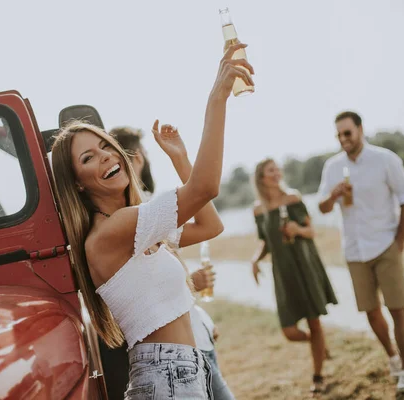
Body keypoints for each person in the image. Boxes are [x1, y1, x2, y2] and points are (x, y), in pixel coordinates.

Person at [51, 43, 254, 399]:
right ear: (78, 183)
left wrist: (180, 157)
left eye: (105, 146)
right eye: (88, 158)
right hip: (167, 377)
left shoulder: (132, 225)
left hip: (181, 370)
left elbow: (210, 227)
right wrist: (217, 98)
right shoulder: (113, 230)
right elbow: (205, 188)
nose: (105, 156)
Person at [110, 125, 236, 400]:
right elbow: (205, 194)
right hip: (175, 359)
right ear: (138, 157)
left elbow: (212, 226)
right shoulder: (129, 222)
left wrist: (201, 319)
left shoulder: (147, 214)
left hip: (195, 343)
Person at [318, 111, 404, 392]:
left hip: (385, 245)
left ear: (360, 129)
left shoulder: (385, 159)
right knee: (371, 313)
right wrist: (333, 195)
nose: (343, 139)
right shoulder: (332, 167)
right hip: (354, 251)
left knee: (397, 309)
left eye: (347, 133)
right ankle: (393, 357)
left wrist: (400, 241)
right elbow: (322, 208)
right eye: (338, 135)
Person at [251, 158, 337, 393]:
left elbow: (311, 231)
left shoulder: (293, 198)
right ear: (261, 177)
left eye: (277, 168)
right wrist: (255, 260)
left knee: (314, 320)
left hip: (304, 266)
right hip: (283, 271)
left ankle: (318, 377)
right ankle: (318, 346)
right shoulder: (258, 209)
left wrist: (298, 230)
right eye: (271, 170)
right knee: (289, 330)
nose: (277, 173)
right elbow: (265, 241)